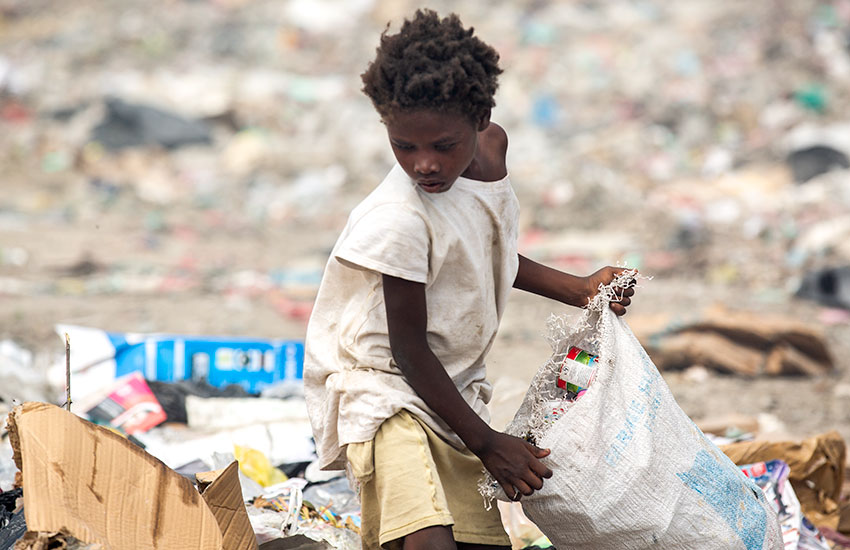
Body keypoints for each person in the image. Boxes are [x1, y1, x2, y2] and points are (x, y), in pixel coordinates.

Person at [304, 9, 636, 550]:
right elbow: (407, 351)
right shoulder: (399, 220)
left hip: (451, 388)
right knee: (427, 540)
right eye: (404, 146)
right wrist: (488, 443)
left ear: (481, 120)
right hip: (384, 388)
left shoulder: (492, 151)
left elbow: (482, 250)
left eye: (442, 145)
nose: (424, 165)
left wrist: (579, 289)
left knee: (481, 543)